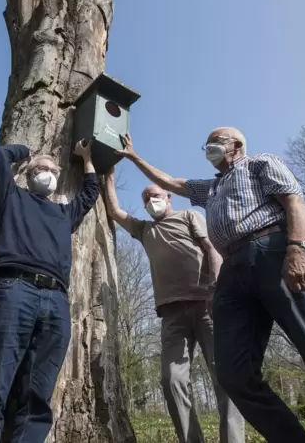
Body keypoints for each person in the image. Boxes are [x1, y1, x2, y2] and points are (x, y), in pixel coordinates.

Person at [114, 129, 305, 443]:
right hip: (232, 271)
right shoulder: (211, 187)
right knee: (233, 375)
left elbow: (295, 202)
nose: (209, 146)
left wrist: (298, 250)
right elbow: (172, 183)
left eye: (217, 140)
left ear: (236, 145)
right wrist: (134, 156)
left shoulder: (259, 164)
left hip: (272, 251)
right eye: (206, 142)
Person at [0, 140, 99, 443]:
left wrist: (87, 158)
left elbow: (91, 192)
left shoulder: (64, 214)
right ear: (28, 174)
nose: (49, 173)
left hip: (56, 300)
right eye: (42, 168)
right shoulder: (12, 197)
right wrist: (27, 152)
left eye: (54, 170)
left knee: (39, 393)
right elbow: (0, 156)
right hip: (15, 290)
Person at [103, 173, 245, 443]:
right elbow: (114, 211)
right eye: (146, 198)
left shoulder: (189, 216)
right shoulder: (145, 231)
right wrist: (108, 176)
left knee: (225, 377)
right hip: (171, 314)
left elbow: (212, 249)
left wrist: (215, 289)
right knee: (171, 380)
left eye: (155, 195)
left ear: (168, 197)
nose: (150, 200)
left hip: (206, 305)